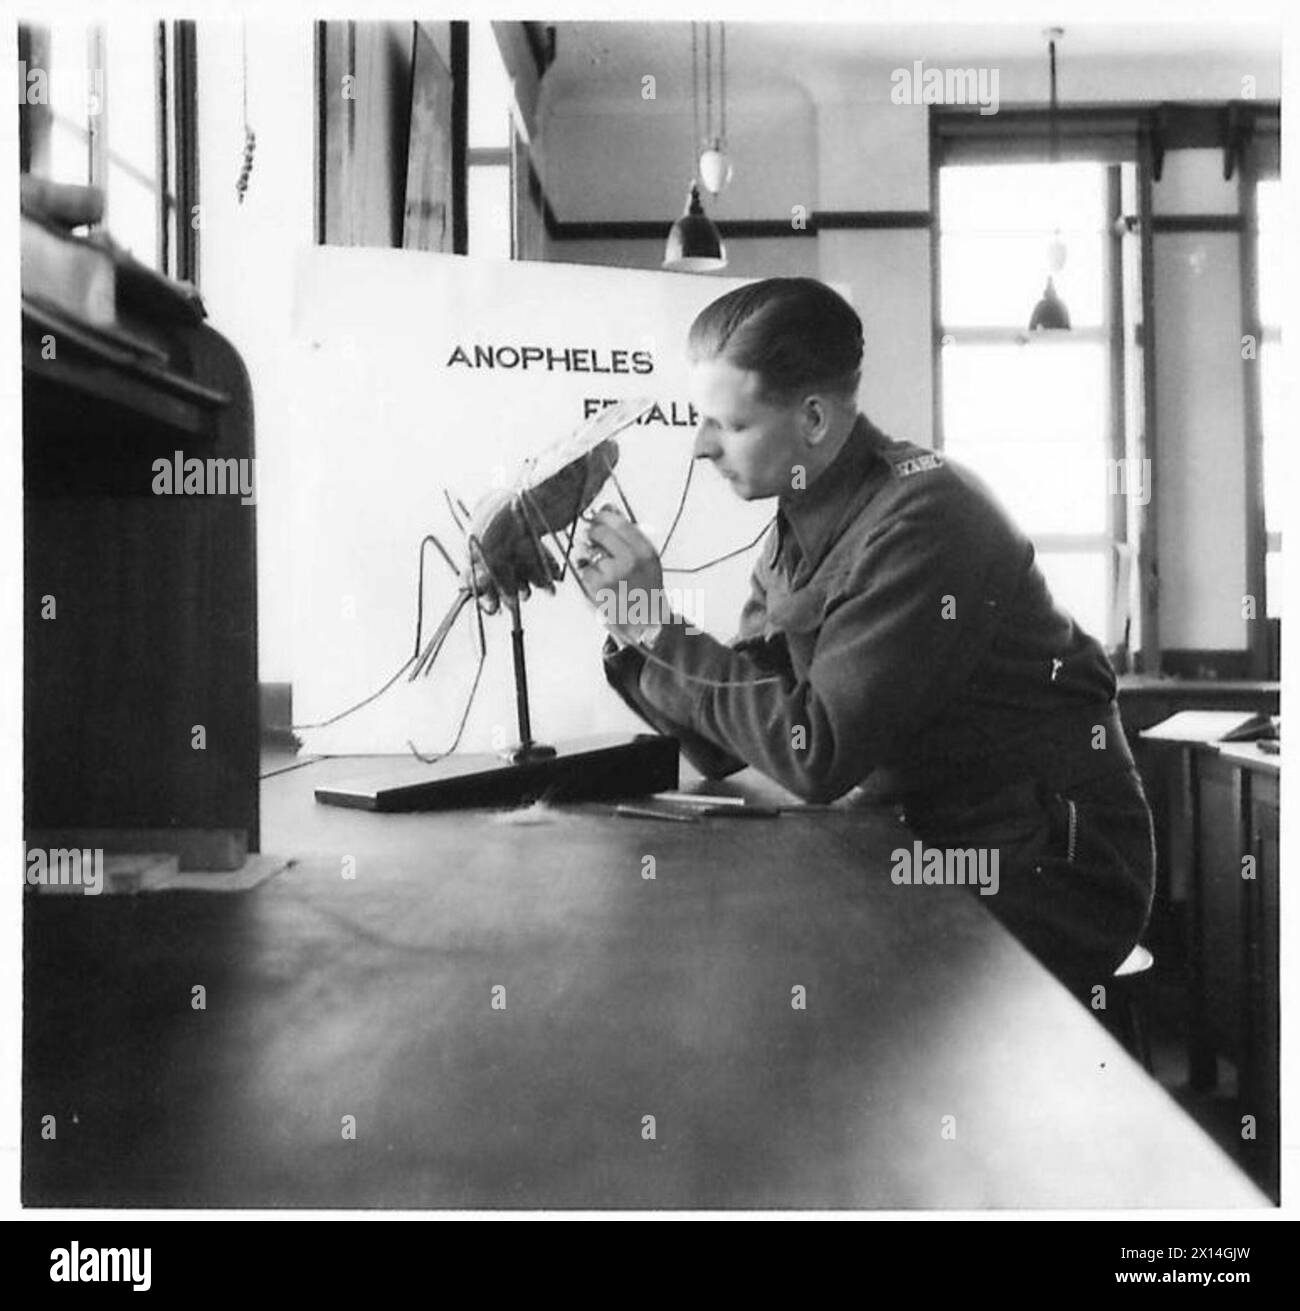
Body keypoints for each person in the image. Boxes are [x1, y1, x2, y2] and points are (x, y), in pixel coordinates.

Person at [523, 277, 1154, 1000]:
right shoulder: (801, 522)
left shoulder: (926, 517)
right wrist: (629, 620)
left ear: (814, 419)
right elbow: (737, 739)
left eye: (729, 425)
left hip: (1046, 864)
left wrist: (654, 625)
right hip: (932, 836)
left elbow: (813, 752)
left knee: (777, 965)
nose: (702, 447)